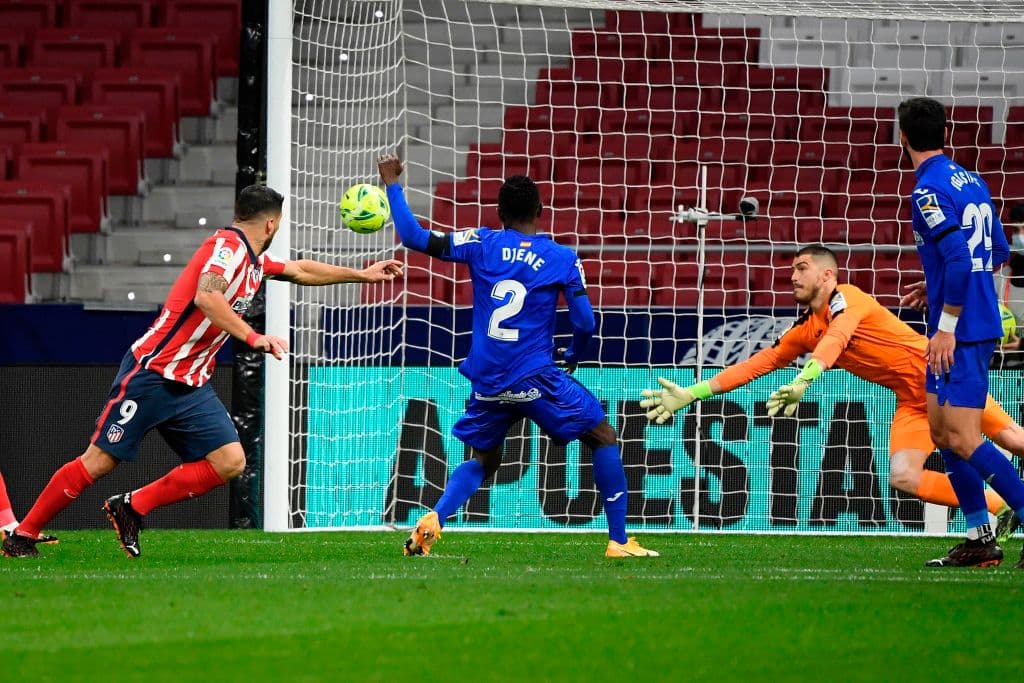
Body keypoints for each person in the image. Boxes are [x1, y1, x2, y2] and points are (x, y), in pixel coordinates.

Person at [1, 185, 403, 558]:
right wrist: (252, 337)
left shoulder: (254, 259)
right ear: (271, 223)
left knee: (230, 460)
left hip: (191, 382)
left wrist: (362, 274)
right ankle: (22, 535)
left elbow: (299, 270)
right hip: (154, 372)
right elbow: (207, 296)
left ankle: (132, 507)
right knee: (99, 461)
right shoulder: (227, 249)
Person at [640, 245, 1021, 542]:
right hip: (912, 401)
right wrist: (691, 394)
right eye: (791, 269)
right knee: (903, 476)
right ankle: (1000, 505)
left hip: (942, 380)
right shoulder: (807, 328)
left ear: (827, 275)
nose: (791, 276)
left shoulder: (849, 297)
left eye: (800, 268)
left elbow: (838, 339)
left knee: (1012, 439)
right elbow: (759, 363)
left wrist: (805, 379)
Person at [378, 152, 657, 558]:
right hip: (534, 376)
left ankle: (434, 519)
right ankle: (618, 541)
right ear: (541, 212)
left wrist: (392, 184)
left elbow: (415, 238)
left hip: (488, 379)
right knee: (603, 436)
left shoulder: (481, 242)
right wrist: (575, 355)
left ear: (499, 213)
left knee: (485, 460)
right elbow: (585, 323)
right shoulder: (561, 257)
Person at [897, 96, 1024, 568]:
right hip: (961, 318)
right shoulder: (973, 180)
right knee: (941, 433)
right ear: (943, 133)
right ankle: (979, 537)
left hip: (962, 332)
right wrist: (938, 288)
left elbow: (957, 257)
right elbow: (996, 254)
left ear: (903, 137)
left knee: (966, 438)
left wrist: (949, 320)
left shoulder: (926, 191)